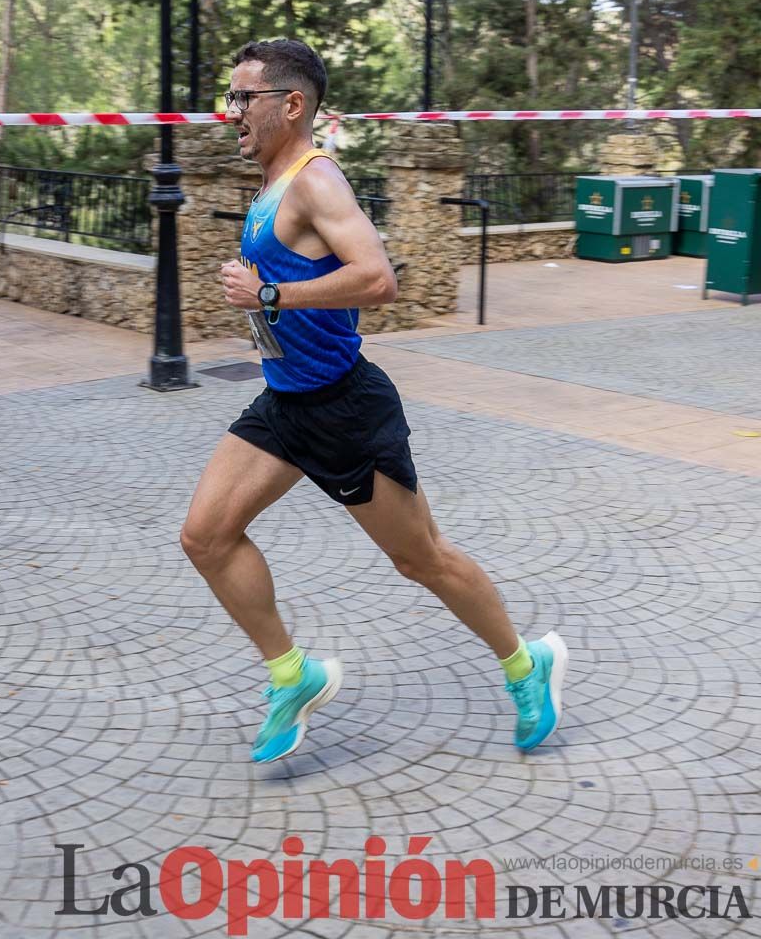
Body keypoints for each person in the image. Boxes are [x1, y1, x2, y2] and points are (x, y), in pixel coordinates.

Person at [181, 38, 568, 764]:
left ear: (291, 105)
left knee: (421, 558)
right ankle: (292, 677)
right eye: (229, 97)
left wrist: (270, 292)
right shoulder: (271, 186)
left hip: (346, 408)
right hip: (286, 403)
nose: (229, 112)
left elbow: (378, 279)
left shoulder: (315, 181)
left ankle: (526, 664)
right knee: (205, 536)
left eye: (243, 98)